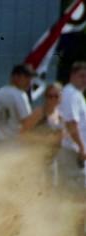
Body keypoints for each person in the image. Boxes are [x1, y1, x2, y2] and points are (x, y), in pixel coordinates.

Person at [0, 63, 39, 146]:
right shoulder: (19, 94)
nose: (29, 81)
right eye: (26, 77)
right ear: (15, 77)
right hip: (10, 143)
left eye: (30, 78)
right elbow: (27, 122)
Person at [58, 62, 86, 198]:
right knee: (77, 194)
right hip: (72, 151)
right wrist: (81, 147)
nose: (84, 80)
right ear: (72, 76)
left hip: (74, 151)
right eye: (82, 76)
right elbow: (71, 124)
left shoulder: (76, 94)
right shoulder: (71, 93)